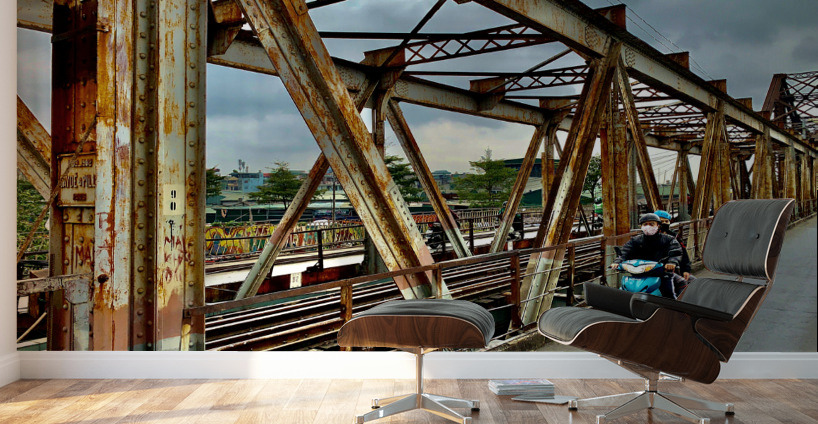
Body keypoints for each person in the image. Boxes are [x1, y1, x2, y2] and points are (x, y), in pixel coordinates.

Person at [610, 213, 683, 298]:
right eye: (645, 224)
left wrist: (672, 262)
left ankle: (672, 309)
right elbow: (625, 252)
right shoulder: (635, 240)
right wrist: (617, 262)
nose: (648, 226)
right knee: (622, 292)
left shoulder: (669, 240)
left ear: (658, 225)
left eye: (651, 224)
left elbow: (675, 251)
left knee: (668, 293)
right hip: (638, 273)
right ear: (641, 226)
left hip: (661, 273)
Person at [654, 209, 696, 294]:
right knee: (681, 282)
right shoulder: (650, 237)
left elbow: (683, 253)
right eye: (662, 221)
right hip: (658, 270)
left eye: (667, 221)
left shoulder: (674, 236)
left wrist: (686, 270)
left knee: (695, 282)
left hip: (674, 269)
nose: (664, 223)